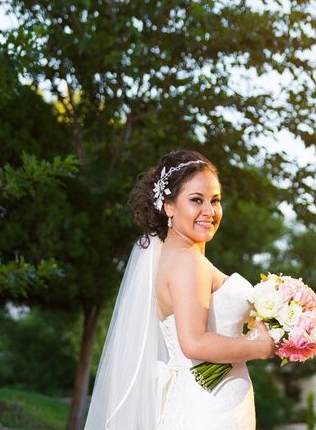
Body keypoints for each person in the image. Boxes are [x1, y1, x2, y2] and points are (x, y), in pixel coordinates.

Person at [84, 150, 275, 430]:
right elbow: (194, 343)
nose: (209, 211)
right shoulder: (188, 262)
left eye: (215, 200)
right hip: (210, 409)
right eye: (196, 200)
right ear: (169, 206)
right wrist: (260, 347)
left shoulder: (173, 258)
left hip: (206, 401)